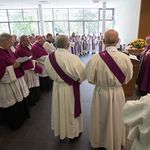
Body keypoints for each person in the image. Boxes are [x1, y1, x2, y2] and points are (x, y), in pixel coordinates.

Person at [85, 29, 133, 150]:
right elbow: (128, 77)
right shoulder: (125, 58)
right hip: (117, 92)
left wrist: (100, 83)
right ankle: (115, 141)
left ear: (103, 41)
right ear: (118, 41)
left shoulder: (96, 58)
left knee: (100, 117)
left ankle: (99, 141)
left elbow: (90, 78)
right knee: (117, 117)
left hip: (101, 92)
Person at [44, 35, 86, 140]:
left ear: (55, 44)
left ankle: (61, 131)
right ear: (67, 45)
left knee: (60, 109)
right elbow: (83, 73)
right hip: (71, 88)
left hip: (57, 87)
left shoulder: (49, 58)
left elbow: (49, 73)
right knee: (71, 110)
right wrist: (78, 81)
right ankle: (73, 132)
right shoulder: (73, 58)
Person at [0, 33, 30, 129]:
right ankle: (15, 123)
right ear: (3, 41)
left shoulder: (8, 50)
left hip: (15, 78)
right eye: (10, 41)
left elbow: (13, 59)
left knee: (18, 100)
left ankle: (22, 118)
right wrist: (12, 66)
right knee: (12, 103)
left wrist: (18, 62)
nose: (12, 43)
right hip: (7, 84)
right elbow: (1, 71)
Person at [15, 35, 41, 105]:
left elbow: (30, 55)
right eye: (27, 40)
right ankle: (31, 101)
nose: (29, 42)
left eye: (28, 40)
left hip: (30, 67)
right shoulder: (19, 49)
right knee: (29, 86)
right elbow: (19, 60)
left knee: (33, 85)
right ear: (22, 41)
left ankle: (35, 98)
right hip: (26, 70)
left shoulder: (26, 47)